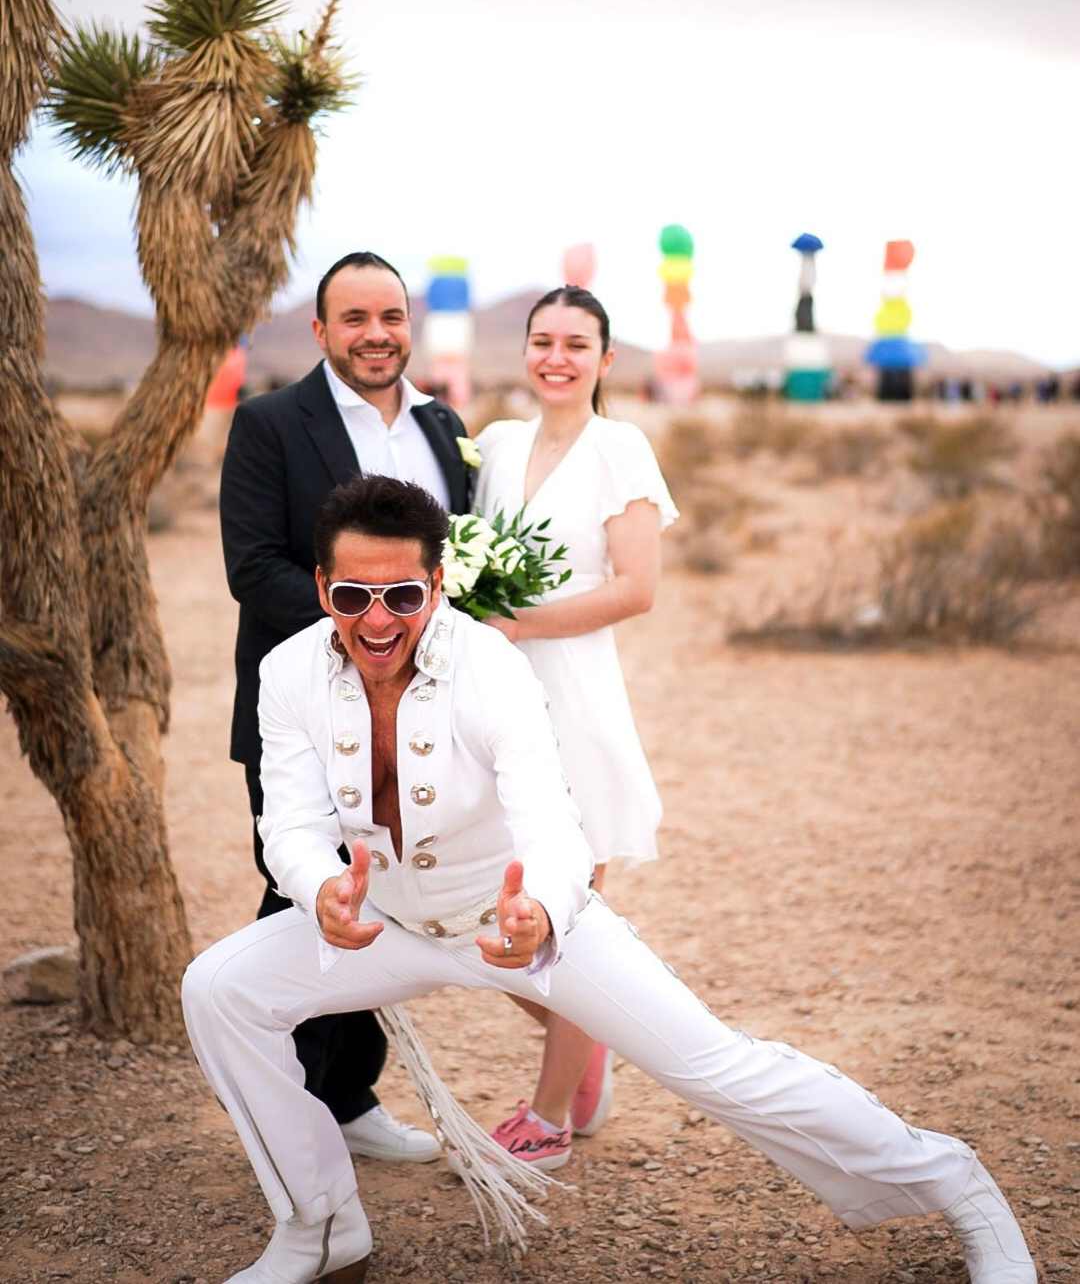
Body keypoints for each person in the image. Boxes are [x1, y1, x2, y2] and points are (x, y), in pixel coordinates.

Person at [183, 475, 1035, 1284]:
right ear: (323, 583)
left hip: (515, 917)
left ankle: (958, 1187)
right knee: (219, 988)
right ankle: (320, 1226)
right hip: (383, 923)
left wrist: (543, 909)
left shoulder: (489, 664)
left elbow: (551, 816)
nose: (377, 619)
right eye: (352, 595)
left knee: (718, 1070)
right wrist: (318, 887)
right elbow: (288, 820)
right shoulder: (288, 669)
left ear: (437, 585)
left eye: (402, 595)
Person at [218, 251, 473, 1164]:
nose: (377, 334)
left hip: (422, 716)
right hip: (303, 702)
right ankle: (277, 1105)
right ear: (321, 331)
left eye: (392, 317)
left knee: (387, 889)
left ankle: (348, 1098)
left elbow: (455, 565)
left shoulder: (445, 426)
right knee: (300, 891)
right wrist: (371, 628)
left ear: (411, 325)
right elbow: (253, 569)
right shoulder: (270, 425)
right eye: (355, 318)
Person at [473, 286, 676, 1163]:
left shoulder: (620, 448)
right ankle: (587, 1045)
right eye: (543, 341)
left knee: (560, 922)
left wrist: (520, 621)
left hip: (575, 701)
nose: (557, 357)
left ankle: (551, 1116)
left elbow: (637, 588)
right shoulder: (502, 445)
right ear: (526, 349)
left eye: (577, 343)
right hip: (492, 703)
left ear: (606, 358)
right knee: (484, 925)